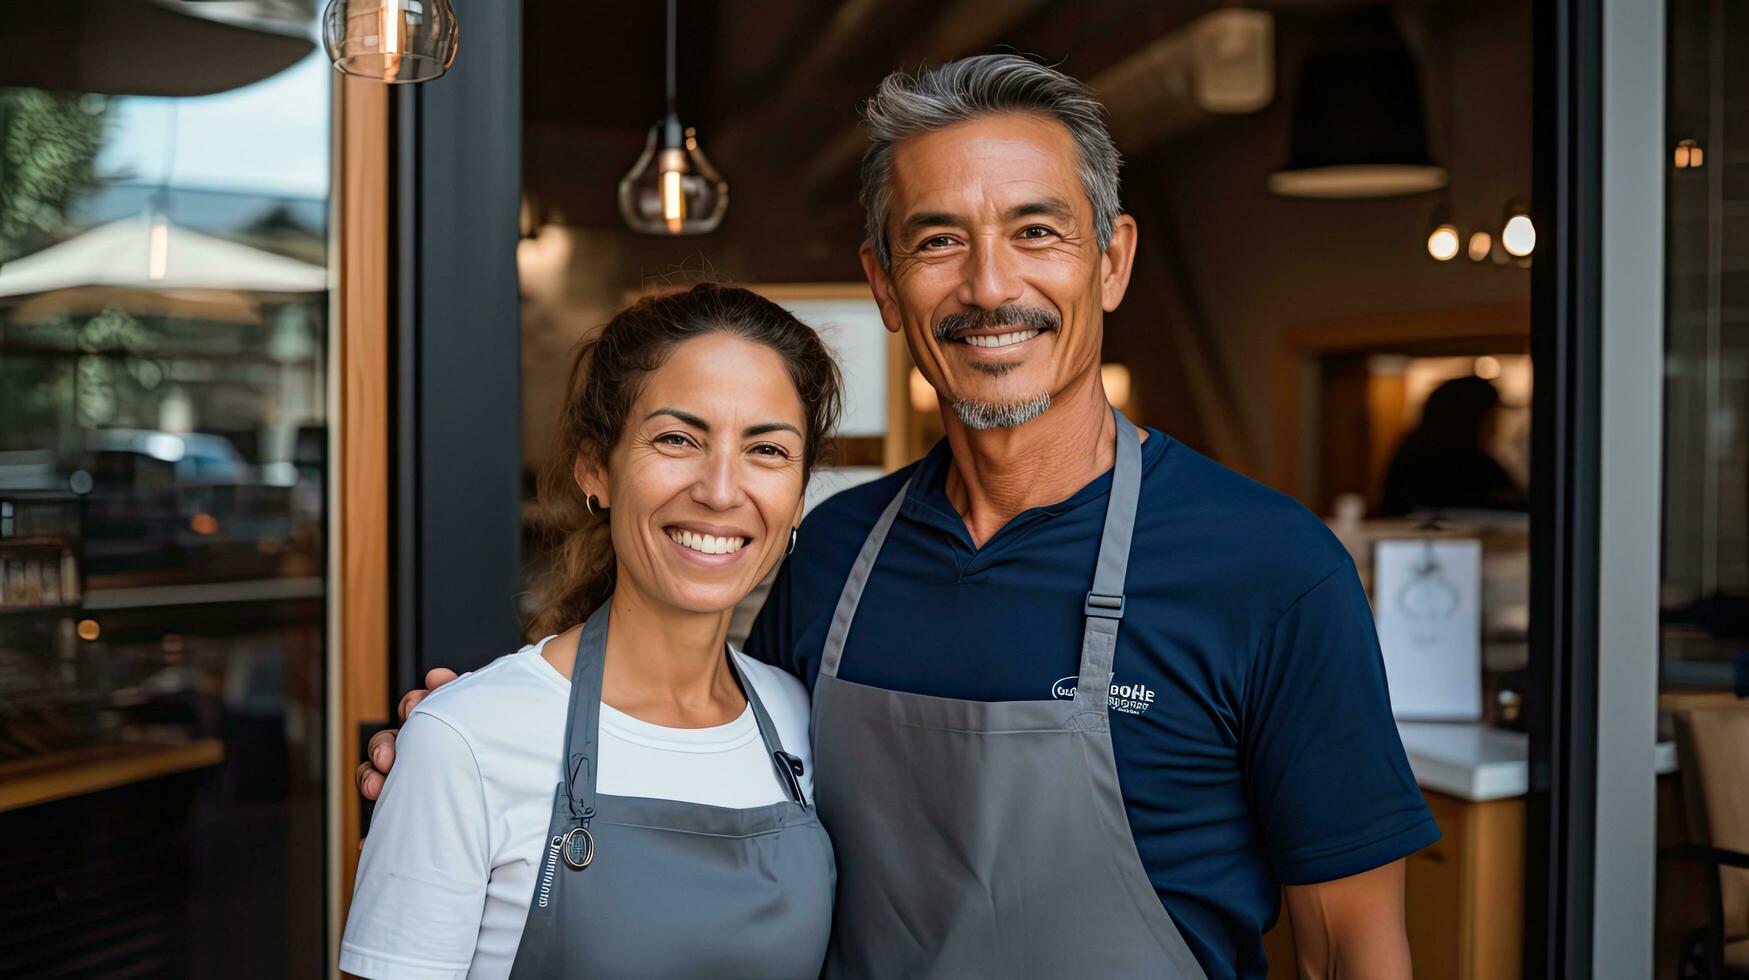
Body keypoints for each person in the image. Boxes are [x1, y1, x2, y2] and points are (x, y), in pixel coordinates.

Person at [364, 55, 1437, 978]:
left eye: (1036, 230)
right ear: (884, 285)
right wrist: (477, 765)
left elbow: (1351, 950)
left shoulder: (1272, 569)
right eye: (938, 241)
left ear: (1110, 261)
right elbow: (715, 776)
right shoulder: (834, 553)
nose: (988, 284)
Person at [340, 284, 841, 979]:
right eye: (676, 438)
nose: (721, 490)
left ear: (798, 494)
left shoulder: (798, 718)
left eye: (766, 450)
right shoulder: (464, 740)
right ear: (593, 468)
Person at [1378, 374, 1526, 516]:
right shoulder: (1467, 465)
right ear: (1474, 418)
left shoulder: (1413, 452)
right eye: (1493, 416)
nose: (1497, 425)